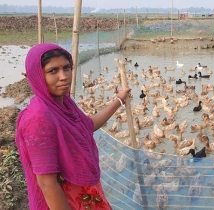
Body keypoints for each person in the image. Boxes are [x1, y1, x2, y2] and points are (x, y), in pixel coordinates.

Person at [15, 43, 131, 210]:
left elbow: (87, 126)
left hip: (86, 195)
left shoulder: (65, 105)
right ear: (36, 76)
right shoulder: (38, 118)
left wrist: (119, 100)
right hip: (68, 202)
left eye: (67, 68)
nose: (64, 76)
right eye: (53, 71)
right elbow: (47, 184)